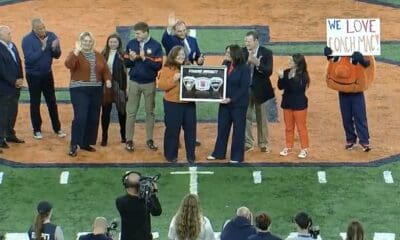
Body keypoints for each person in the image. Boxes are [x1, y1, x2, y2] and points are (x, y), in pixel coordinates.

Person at [65, 31, 112, 157]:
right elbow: (69, 64)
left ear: (93, 42)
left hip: (96, 90)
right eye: (85, 41)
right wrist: (75, 52)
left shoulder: (98, 55)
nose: (87, 43)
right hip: (79, 89)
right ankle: (74, 144)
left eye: (90, 41)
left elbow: (105, 70)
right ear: (80, 42)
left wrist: (107, 80)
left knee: (93, 117)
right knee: (81, 116)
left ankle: (85, 143)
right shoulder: (75, 54)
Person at [162, 13, 203, 147]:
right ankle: (175, 139)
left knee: (188, 110)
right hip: (176, 75)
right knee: (175, 110)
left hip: (189, 76)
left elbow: (196, 55)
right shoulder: (172, 40)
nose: (182, 33)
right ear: (175, 31)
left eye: (184, 30)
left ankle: (190, 137)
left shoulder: (192, 40)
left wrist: (200, 60)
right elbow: (165, 39)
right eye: (179, 31)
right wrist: (169, 27)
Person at [21, 18, 66, 140]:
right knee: (35, 102)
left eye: (43, 27)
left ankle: (57, 128)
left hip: (47, 74)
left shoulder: (51, 35)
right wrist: (43, 48)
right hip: (33, 76)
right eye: (40, 28)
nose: (43, 30)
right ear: (34, 29)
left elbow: (57, 55)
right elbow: (29, 59)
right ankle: (37, 129)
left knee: (52, 101)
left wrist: (55, 48)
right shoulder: (27, 40)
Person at [206, 45, 250, 164]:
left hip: (239, 105)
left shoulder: (244, 68)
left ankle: (236, 156)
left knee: (238, 130)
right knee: (222, 128)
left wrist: (231, 99)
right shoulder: (225, 63)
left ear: (235, 55)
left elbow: (243, 88)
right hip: (224, 103)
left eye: (228, 53)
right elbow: (219, 79)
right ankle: (219, 153)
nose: (225, 55)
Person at [124, 21, 162, 152]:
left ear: (146, 32)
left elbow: (158, 65)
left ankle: (150, 139)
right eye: (136, 33)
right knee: (131, 113)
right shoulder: (131, 44)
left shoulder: (156, 46)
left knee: (150, 112)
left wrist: (144, 58)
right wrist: (132, 59)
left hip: (149, 83)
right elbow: (126, 62)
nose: (137, 36)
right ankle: (129, 140)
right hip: (134, 82)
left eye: (138, 33)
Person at [157, 46, 196, 163]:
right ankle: (170, 155)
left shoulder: (189, 67)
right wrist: (174, 80)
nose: (181, 57)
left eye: (183, 54)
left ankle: (191, 156)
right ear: (173, 56)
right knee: (172, 130)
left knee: (191, 130)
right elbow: (162, 85)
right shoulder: (167, 68)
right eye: (178, 55)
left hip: (189, 104)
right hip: (172, 104)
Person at [244, 31, 274, 153]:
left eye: (249, 41)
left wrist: (257, 63)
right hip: (246, 90)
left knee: (262, 118)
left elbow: (269, 71)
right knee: (246, 117)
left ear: (256, 41)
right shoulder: (242, 52)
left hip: (261, 91)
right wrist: (247, 62)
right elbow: (237, 68)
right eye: (245, 41)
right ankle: (248, 143)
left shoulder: (266, 53)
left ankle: (263, 143)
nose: (246, 44)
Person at [277, 54, 310, 158]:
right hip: (287, 103)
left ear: (297, 63)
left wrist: (284, 77)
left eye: (291, 60)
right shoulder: (287, 72)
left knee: (301, 128)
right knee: (288, 127)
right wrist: (281, 78)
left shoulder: (303, 75)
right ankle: (288, 147)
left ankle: (304, 149)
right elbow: (280, 87)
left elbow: (295, 88)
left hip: (299, 105)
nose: (289, 61)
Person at [116, 171, 162, 240]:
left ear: (126, 185)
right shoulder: (145, 202)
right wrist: (152, 193)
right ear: (139, 185)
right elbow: (157, 211)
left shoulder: (120, 201)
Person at [0, 25, 24, 152]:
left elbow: (18, 62)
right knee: (3, 114)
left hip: (15, 86)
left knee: (13, 112)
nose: (11, 35)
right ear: (1, 35)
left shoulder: (12, 46)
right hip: (4, 88)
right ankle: (0, 139)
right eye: (8, 33)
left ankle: (10, 134)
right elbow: (2, 70)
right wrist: (13, 81)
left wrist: (21, 77)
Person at [100, 33, 127, 146]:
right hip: (106, 85)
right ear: (107, 43)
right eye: (110, 42)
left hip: (119, 86)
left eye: (115, 42)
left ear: (119, 43)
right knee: (105, 112)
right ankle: (104, 137)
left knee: (122, 112)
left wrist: (125, 88)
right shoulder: (103, 54)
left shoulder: (123, 55)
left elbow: (126, 72)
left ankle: (123, 135)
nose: (112, 44)